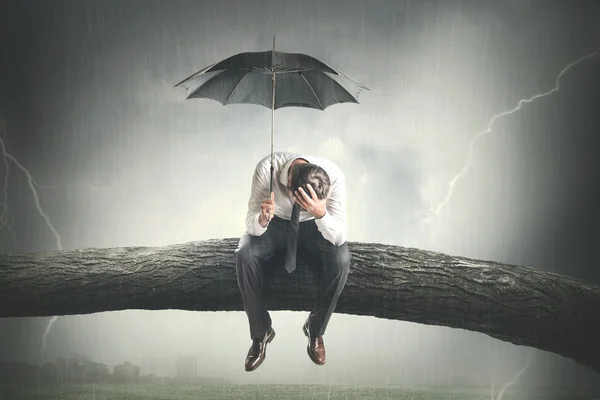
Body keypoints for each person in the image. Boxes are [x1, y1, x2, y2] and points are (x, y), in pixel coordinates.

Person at [235, 151, 351, 372]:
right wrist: (261, 219)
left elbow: (339, 236)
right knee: (244, 254)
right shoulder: (266, 170)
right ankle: (261, 332)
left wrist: (321, 213)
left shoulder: (334, 176)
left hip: (315, 223)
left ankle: (315, 329)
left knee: (342, 259)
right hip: (275, 221)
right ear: (288, 182)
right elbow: (250, 224)